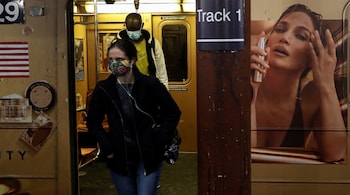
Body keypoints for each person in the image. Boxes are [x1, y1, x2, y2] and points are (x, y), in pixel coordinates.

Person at [250, 4, 347, 163]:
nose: (285, 38)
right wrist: (250, 91)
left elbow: (335, 154)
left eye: (301, 36)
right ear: (267, 41)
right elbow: (246, 154)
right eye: (280, 29)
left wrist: (327, 85)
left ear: (312, 56)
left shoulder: (311, 96)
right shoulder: (243, 81)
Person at [86, 38, 181, 195]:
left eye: (120, 59)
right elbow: (93, 121)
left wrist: (159, 143)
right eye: (111, 60)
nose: (114, 63)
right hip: (119, 156)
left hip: (148, 155)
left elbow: (173, 112)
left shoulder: (150, 84)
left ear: (132, 60)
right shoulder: (104, 88)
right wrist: (107, 146)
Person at [119, 12, 169, 88]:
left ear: (142, 26)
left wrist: (164, 92)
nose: (133, 34)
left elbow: (161, 69)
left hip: (148, 85)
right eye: (130, 31)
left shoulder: (152, 43)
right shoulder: (118, 45)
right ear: (125, 26)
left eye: (135, 31)